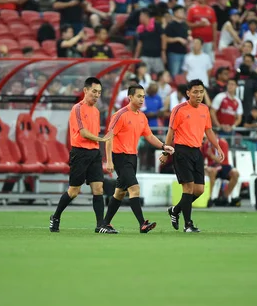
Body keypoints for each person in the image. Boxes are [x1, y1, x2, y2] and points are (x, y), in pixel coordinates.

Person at [102, 85, 175, 233]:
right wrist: (109, 160)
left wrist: (163, 146)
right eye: (139, 96)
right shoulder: (120, 115)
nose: (142, 99)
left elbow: (148, 135)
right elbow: (109, 138)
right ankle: (142, 223)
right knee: (134, 189)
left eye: (143, 96)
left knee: (120, 193)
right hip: (120, 157)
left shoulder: (142, 117)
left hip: (132, 157)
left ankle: (105, 223)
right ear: (130, 97)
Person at [49, 77, 112, 233]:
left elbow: (94, 133)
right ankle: (55, 216)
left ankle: (100, 225)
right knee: (74, 191)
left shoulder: (96, 111)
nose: (97, 95)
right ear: (85, 90)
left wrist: (99, 145)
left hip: (94, 153)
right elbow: (83, 133)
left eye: (99, 92)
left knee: (98, 189)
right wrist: (102, 139)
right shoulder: (77, 108)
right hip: (80, 153)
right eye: (94, 91)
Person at [161, 79, 224, 232]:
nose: (198, 95)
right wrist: (165, 152)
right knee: (188, 188)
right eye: (195, 92)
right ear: (188, 93)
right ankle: (188, 224)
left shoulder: (204, 109)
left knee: (200, 190)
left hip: (197, 151)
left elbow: (208, 130)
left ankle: (175, 210)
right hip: (182, 151)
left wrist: (217, 147)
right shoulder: (179, 109)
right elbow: (171, 132)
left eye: (201, 91)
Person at [203, 137, 240, 207]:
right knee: (212, 172)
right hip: (212, 166)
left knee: (235, 174)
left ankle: (225, 197)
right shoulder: (205, 145)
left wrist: (211, 155)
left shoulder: (223, 143)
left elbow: (222, 159)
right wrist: (205, 167)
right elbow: (200, 158)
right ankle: (209, 198)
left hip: (224, 166)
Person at [163, 5, 189, 76]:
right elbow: (165, 39)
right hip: (173, 52)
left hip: (183, 52)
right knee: (174, 74)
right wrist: (178, 39)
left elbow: (187, 36)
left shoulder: (185, 25)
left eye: (183, 12)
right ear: (175, 13)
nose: (183, 13)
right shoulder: (171, 25)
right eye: (181, 12)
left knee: (182, 74)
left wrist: (189, 39)